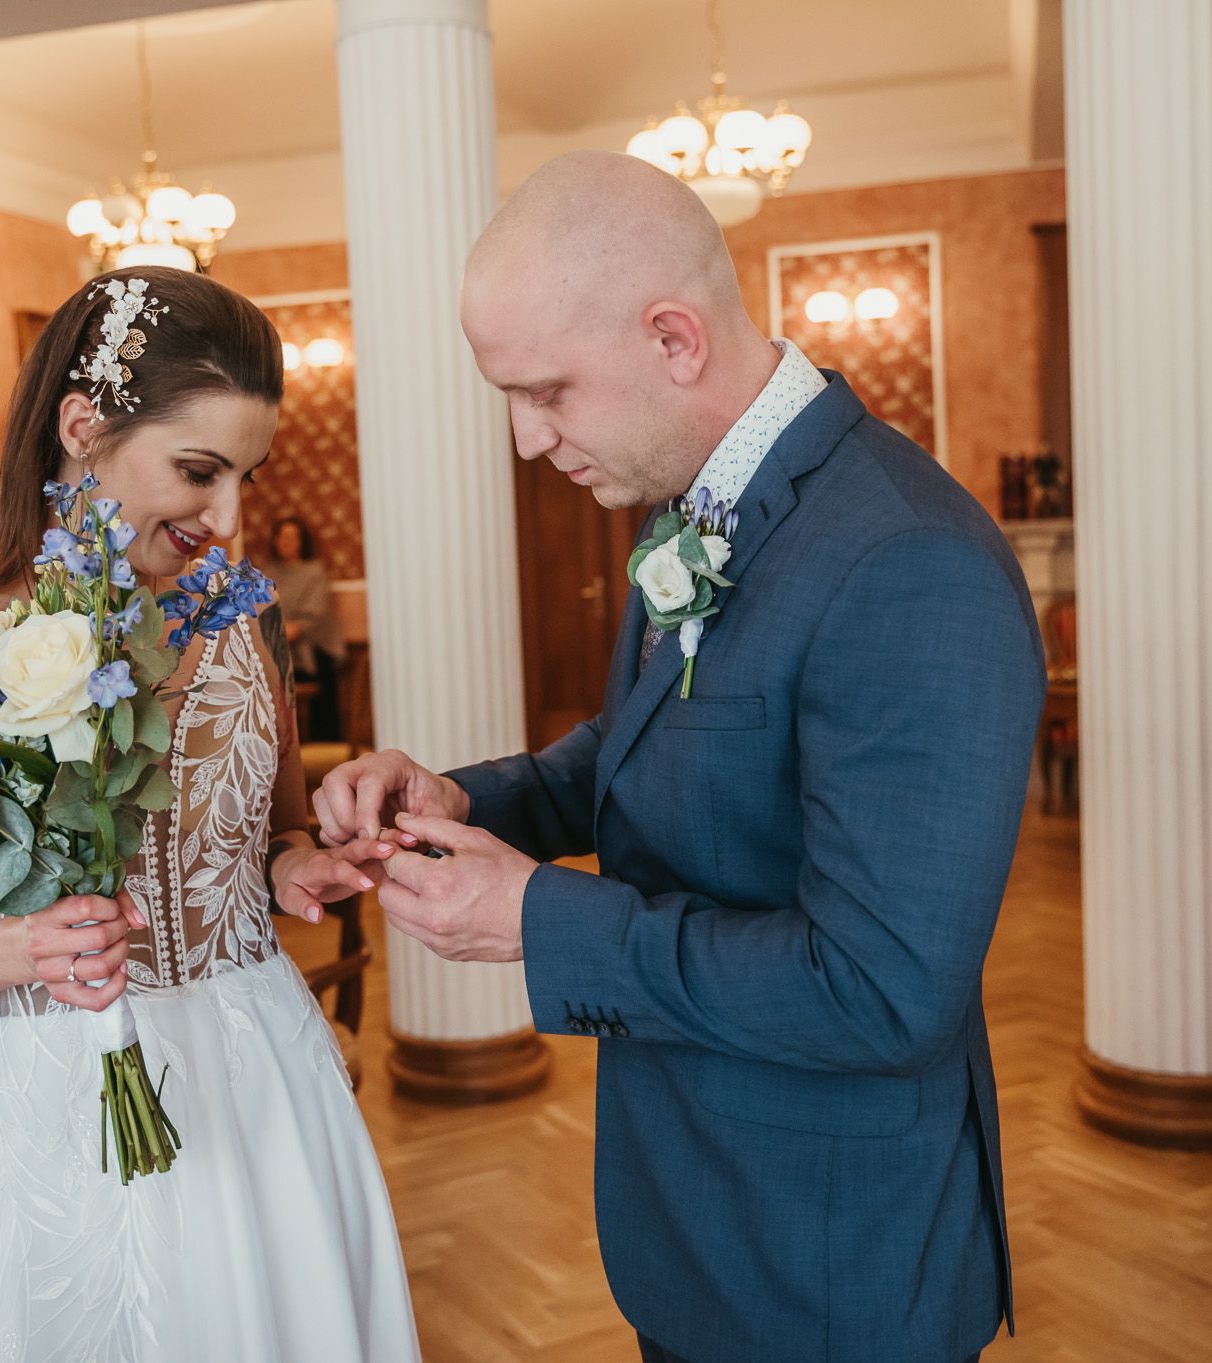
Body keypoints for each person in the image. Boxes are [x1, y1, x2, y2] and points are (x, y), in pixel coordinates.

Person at [314, 151, 1045, 1363]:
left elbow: (880, 990)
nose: (525, 439)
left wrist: (539, 917)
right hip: (695, 1213)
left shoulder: (907, 558)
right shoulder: (692, 502)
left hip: (825, 1264)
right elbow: (652, 741)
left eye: (545, 390)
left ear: (672, 338)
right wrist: (465, 799)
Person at [0, 267, 420, 1363]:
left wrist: (292, 864)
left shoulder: (242, 619)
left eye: (245, 476)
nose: (228, 518)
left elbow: (272, 830)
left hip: (264, 1088)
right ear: (81, 427)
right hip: (57, 1110)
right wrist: (24, 948)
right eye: (198, 470)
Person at [260, 516, 348, 741]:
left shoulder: (314, 572)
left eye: (292, 537)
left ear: (302, 542)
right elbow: (261, 611)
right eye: (282, 537)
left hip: (312, 651)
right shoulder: (267, 574)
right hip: (276, 649)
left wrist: (292, 629)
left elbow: (316, 614)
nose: (286, 542)